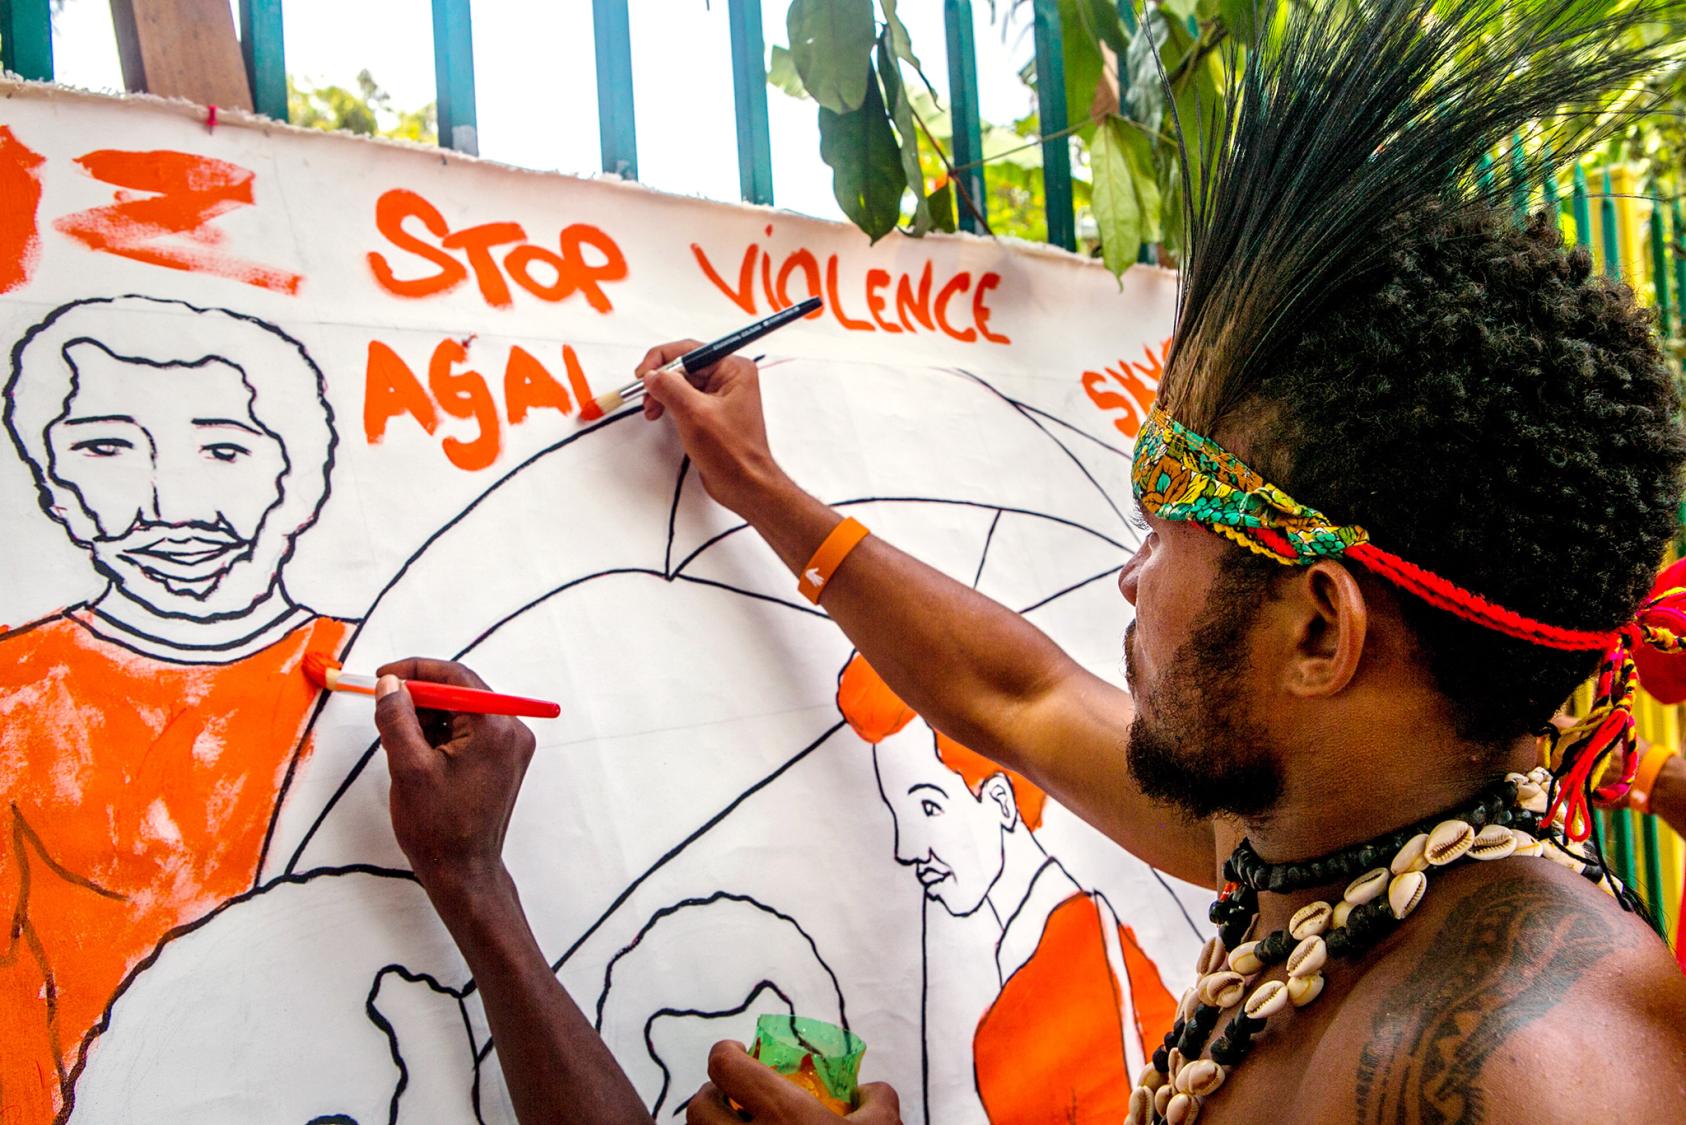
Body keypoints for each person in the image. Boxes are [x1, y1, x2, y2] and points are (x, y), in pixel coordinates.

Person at [373, 0, 1686, 1120]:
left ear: (1317, 635)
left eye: (1165, 521)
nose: (1129, 576)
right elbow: (1020, 696)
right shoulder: (1335, 844)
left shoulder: (1523, 1070)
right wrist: (762, 488)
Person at [0, 295, 350, 1122]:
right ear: (49, 482)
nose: (173, 506)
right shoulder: (17, 687)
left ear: (300, 475)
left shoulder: (385, 673)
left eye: (224, 450)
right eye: (107, 448)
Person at [838, 652, 1176, 1119]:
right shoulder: (1040, 956)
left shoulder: (1074, 956)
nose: (906, 848)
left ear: (999, 800)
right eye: (898, 817)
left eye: (928, 808)